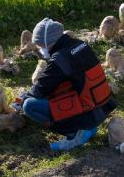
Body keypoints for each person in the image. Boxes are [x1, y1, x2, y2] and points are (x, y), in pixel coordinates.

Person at [15, 18, 116, 151]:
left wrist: (23, 99)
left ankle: (74, 134)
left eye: (40, 45)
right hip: (102, 107)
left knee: (30, 105)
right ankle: (88, 128)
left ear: (48, 41)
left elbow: (41, 89)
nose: (40, 49)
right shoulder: (80, 45)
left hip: (89, 112)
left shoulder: (60, 58)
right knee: (47, 95)